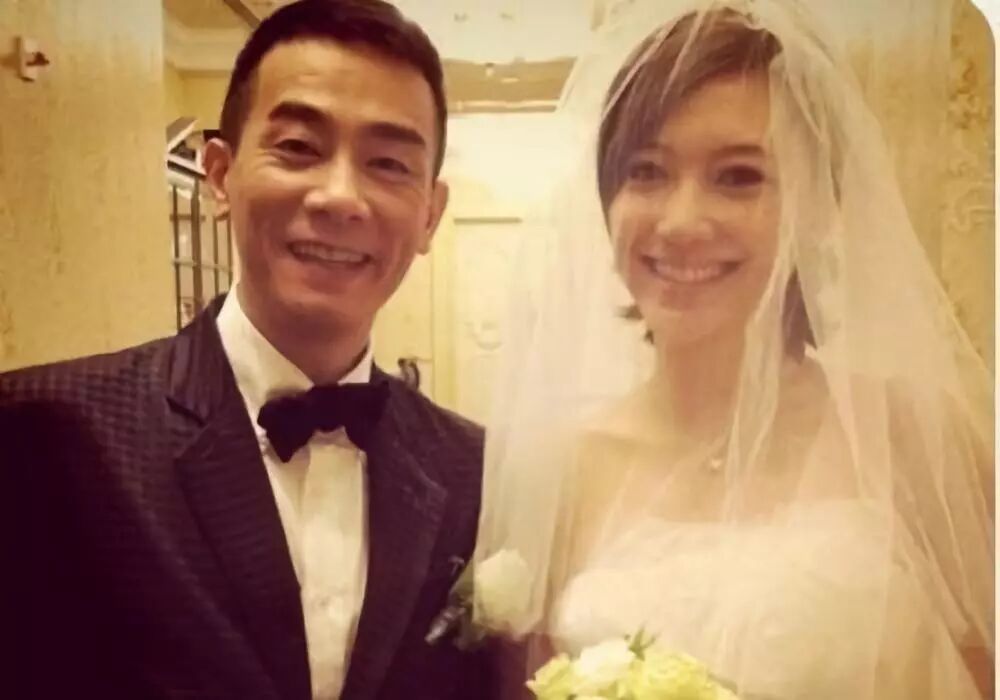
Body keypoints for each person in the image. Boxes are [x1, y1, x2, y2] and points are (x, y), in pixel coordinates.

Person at [471, 0, 994, 698]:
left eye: (739, 176)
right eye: (647, 171)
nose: (682, 221)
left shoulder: (918, 439)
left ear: (816, 206)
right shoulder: (561, 475)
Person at [2, 1, 488, 698]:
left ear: (430, 215)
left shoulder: (478, 475)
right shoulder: (42, 432)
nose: (340, 197)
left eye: (388, 163)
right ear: (219, 174)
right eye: (298, 148)